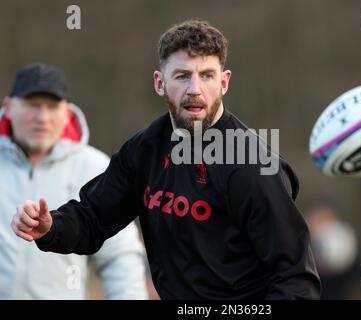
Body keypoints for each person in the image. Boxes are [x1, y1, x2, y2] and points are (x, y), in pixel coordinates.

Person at [11, 21, 321, 299]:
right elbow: (93, 219)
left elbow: (296, 278)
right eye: (183, 76)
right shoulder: (145, 150)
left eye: (207, 76)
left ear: (224, 82)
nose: (194, 89)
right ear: (160, 83)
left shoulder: (252, 164)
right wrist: (51, 227)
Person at [1, 63, 148, 299]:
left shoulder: (95, 167)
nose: (42, 117)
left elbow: (120, 256)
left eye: (52, 106)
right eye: (32, 105)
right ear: (8, 107)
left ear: (67, 112)